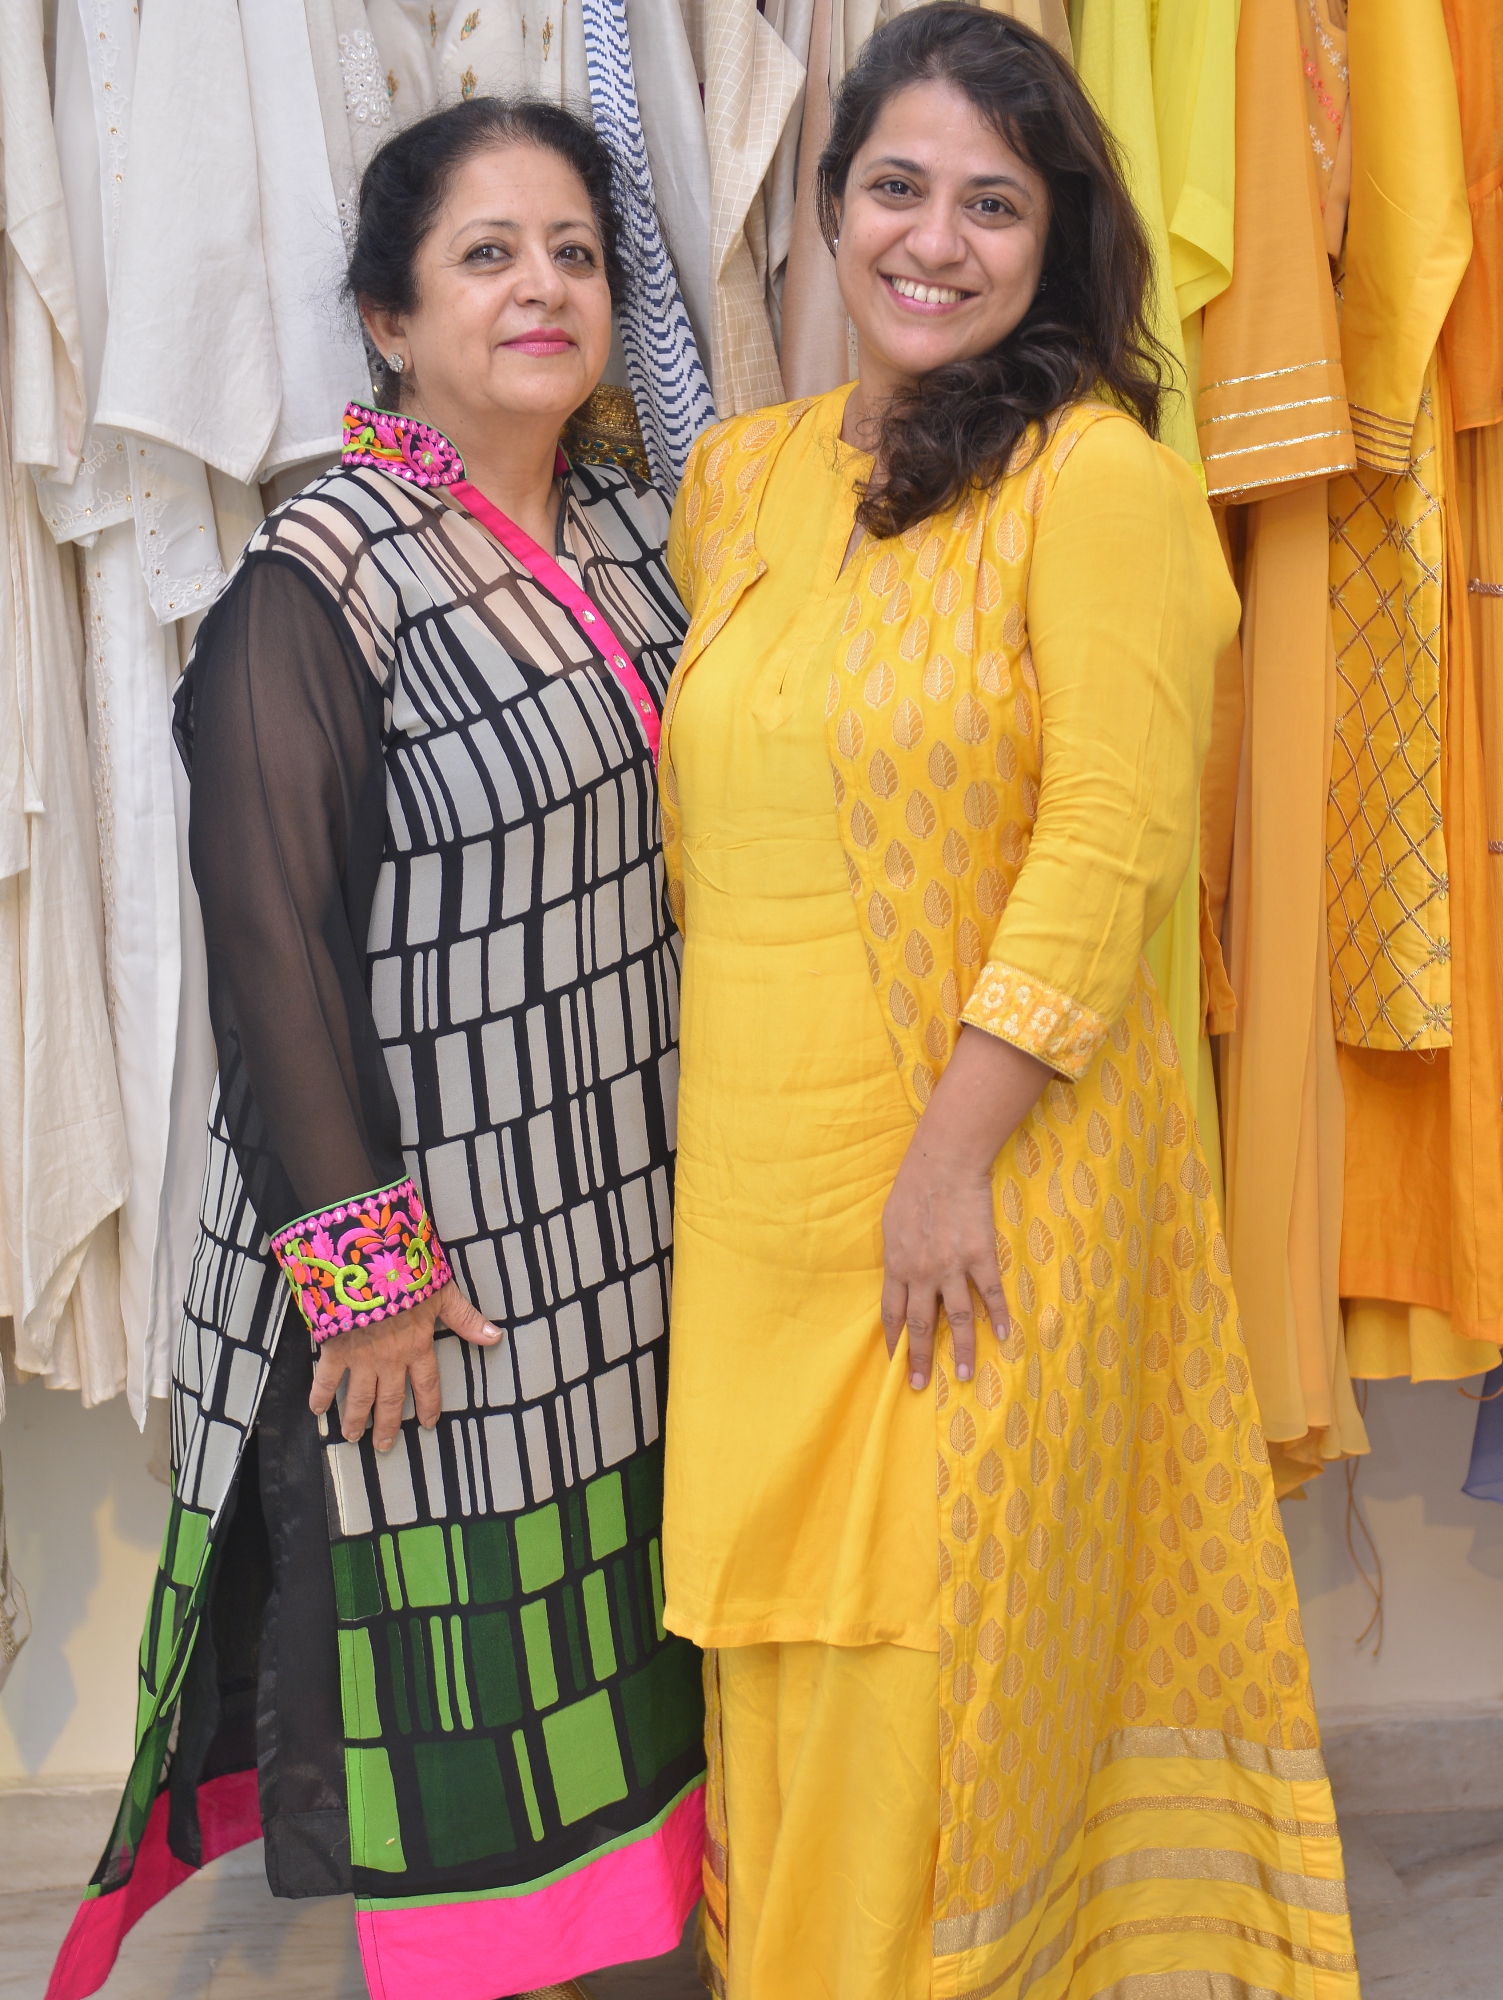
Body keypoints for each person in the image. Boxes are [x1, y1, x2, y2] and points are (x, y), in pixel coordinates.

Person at [659, 11, 1359, 2000]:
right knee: (786, 1646)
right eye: (898, 188)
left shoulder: (1096, 483)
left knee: (930, 1663)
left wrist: (947, 1162)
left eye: (993, 204)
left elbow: (1113, 837)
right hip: (761, 1199)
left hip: (976, 1184)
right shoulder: (739, 477)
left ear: (1055, 244)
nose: (935, 240)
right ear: (829, 206)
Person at [49, 100, 704, 2000]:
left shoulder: (629, 531)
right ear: (389, 320)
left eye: (573, 252)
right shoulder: (322, 575)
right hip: (450, 1235)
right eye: (487, 254)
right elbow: (270, 949)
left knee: (630, 1612)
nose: (542, 287)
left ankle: (648, 1930)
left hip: (627, 1210)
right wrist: (368, 1278)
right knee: (477, 1654)